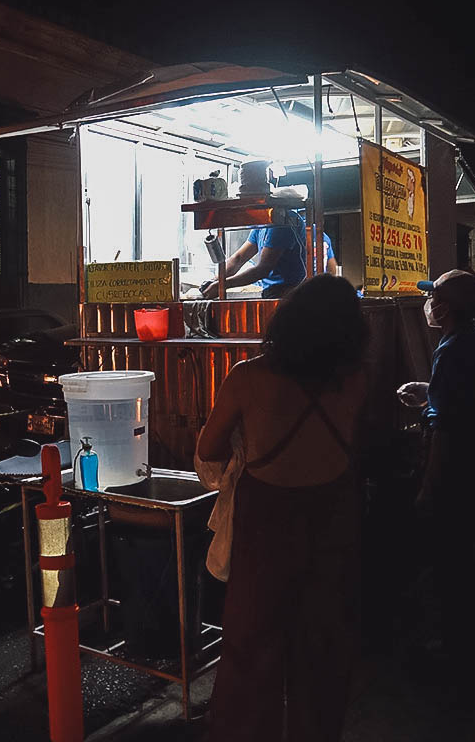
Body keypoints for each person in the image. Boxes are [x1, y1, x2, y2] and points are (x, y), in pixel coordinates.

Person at [198, 275, 368, 741]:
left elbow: (208, 450)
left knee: (251, 651)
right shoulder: (355, 379)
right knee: (322, 649)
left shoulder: (248, 377)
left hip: (267, 527)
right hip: (334, 519)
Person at [396, 268, 475, 702]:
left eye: (433, 297)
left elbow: (445, 428)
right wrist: (431, 391)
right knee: (461, 555)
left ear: (444, 307)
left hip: (456, 465)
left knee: (451, 562)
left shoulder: (451, 349)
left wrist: (428, 486)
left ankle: (462, 650)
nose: (428, 303)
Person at [201, 212, 338, 299]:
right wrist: (214, 281)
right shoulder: (260, 227)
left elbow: (263, 268)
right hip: (270, 294)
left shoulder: (281, 224)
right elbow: (238, 259)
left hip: (288, 297)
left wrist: (222, 286)